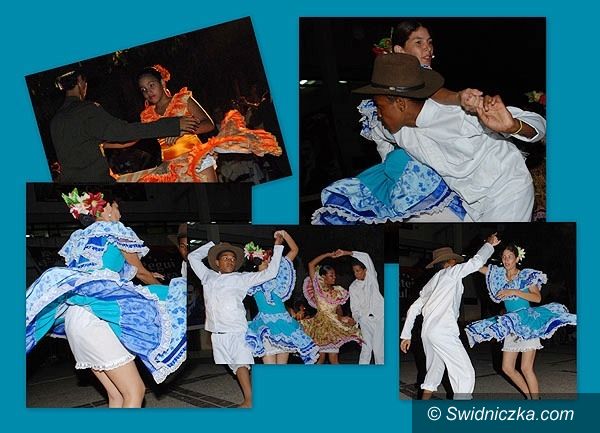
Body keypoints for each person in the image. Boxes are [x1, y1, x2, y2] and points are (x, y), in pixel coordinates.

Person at [26, 188, 187, 408]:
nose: (119, 212)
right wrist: (163, 291)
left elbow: (101, 272)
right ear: (106, 209)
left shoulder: (79, 238)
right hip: (97, 316)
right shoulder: (115, 229)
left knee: (117, 396)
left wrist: (147, 275)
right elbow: (140, 272)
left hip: (75, 318)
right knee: (135, 392)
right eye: (117, 206)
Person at [312, 21, 482, 224]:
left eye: (429, 42)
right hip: (413, 180)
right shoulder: (384, 103)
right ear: (399, 50)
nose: (427, 48)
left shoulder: (435, 90)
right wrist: (396, 180)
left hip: (446, 176)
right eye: (418, 42)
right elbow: (384, 145)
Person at [352, 54, 546, 222]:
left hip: (508, 191)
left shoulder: (458, 113)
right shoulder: (395, 130)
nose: (378, 114)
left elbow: (539, 124)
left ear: (401, 104)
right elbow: (378, 135)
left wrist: (514, 126)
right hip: (470, 203)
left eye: (380, 107)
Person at [116, 65, 283, 182]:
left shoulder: (183, 100)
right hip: (171, 167)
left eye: (151, 85)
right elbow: (138, 138)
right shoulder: (147, 116)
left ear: (162, 82)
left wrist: (182, 130)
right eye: (143, 90)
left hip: (196, 159)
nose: (148, 92)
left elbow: (209, 124)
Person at [465, 244, 577, 399]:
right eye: (504, 257)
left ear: (517, 258)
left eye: (510, 257)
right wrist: (486, 247)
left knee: (526, 368)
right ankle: (531, 398)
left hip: (528, 322)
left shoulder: (526, 275)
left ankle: (535, 402)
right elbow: (476, 266)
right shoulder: (498, 275)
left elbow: (537, 298)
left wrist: (514, 291)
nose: (506, 260)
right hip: (511, 324)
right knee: (507, 368)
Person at [50, 69, 201, 183]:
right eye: (143, 89)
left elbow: (115, 141)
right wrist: (173, 125)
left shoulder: (56, 120)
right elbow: (124, 132)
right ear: (80, 81)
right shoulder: (86, 110)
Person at [400, 233, 500, 399]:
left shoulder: (431, 282)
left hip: (427, 333)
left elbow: (414, 308)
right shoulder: (452, 273)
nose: (457, 262)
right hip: (443, 331)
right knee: (465, 373)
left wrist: (406, 335)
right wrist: (489, 245)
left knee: (434, 370)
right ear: (449, 262)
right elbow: (476, 262)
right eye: (454, 260)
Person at [187, 235, 284, 407]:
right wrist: (214, 245)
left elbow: (271, 273)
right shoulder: (207, 276)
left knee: (241, 364)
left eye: (232, 259)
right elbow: (192, 257)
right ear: (217, 262)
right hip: (217, 334)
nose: (230, 261)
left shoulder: (242, 278)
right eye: (225, 258)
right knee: (234, 367)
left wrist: (277, 247)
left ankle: (250, 400)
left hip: (237, 331)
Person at [245, 231, 319, 364]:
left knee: (281, 367)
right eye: (265, 256)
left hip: (284, 324)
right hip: (265, 325)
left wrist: (284, 234)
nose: (268, 258)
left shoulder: (279, 272)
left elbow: (294, 250)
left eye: (269, 256)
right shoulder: (251, 279)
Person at [300, 251, 362, 364]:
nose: (334, 277)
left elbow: (338, 309)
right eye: (331, 275)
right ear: (324, 276)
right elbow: (311, 264)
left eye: (334, 275)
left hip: (333, 328)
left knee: (333, 358)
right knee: (321, 358)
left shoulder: (337, 291)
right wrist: (328, 255)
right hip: (320, 327)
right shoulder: (318, 288)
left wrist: (341, 318)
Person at [335, 250, 384, 364]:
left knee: (378, 350)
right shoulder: (353, 287)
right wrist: (355, 320)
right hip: (364, 320)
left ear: (365, 270)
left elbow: (366, 256)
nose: (356, 274)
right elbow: (355, 307)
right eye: (354, 271)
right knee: (366, 349)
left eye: (358, 271)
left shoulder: (371, 278)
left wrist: (346, 253)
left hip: (380, 318)